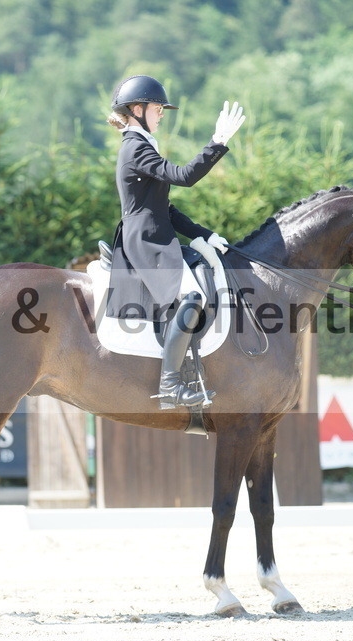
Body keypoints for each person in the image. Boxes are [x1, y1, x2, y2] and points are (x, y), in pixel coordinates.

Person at [104, 75, 245, 409]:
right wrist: (218, 143)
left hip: (156, 234)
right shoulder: (135, 147)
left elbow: (164, 208)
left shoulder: (142, 144)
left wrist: (204, 234)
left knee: (200, 283)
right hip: (145, 241)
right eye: (157, 108)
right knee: (192, 296)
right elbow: (184, 177)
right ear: (136, 110)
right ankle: (170, 385)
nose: (161, 113)